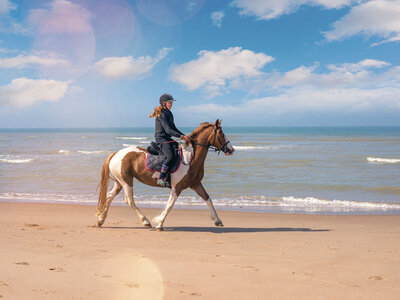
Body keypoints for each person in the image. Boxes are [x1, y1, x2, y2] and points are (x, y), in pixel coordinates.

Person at [149, 93, 191, 187]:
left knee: (178, 151)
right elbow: (168, 130)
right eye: (169, 103)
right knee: (170, 156)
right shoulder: (161, 114)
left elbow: (174, 128)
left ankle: (170, 176)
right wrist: (181, 137)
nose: (171, 104)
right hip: (161, 139)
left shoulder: (169, 113)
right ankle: (161, 177)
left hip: (167, 138)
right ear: (163, 103)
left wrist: (184, 135)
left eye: (171, 103)